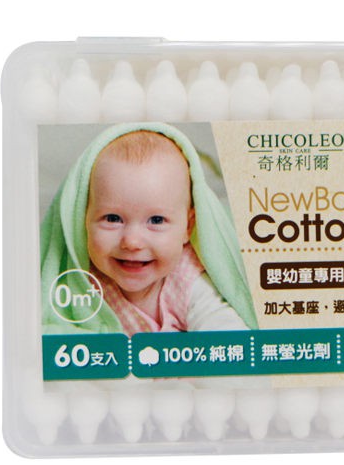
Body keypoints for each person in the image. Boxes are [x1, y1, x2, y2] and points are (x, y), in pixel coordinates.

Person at [84, 130, 247, 336]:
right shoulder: (81, 281)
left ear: (187, 227)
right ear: (84, 218)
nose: (132, 242)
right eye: (112, 218)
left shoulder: (186, 278)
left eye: (156, 220)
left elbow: (226, 333)